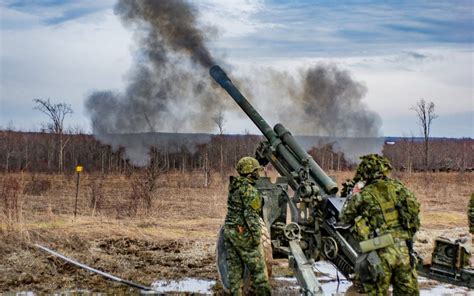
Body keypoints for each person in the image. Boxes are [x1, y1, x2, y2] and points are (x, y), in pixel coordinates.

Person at [340, 154, 420, 295]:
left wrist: (353, 194)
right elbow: (414, 213)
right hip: (404, 251)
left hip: (379, 252)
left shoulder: (364, 194)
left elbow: (344, 217)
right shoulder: (399, 188)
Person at [223, 156, 271, 296]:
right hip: (242, 233)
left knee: (234, 271)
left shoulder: (235, 186)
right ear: (250, 173)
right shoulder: (249, 191)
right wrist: (256, 238)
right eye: (256, 171)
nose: (258, 173)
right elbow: (251, 217)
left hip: (230, 231)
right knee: (259, 272)